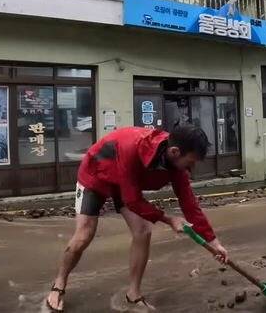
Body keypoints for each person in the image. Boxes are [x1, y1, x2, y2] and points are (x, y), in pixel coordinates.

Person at [45, 125, 228, 312]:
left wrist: (213, 242)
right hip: (95, 175)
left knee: (143, 231)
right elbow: (132, 200)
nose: (191, 168)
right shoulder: (132, 148)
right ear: (174, 151)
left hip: (125, 183)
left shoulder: (175, 162)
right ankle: (59, 284)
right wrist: (169, 219)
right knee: (84, 235)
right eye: (190, 162)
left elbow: (188, 203)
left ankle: (133, 294)